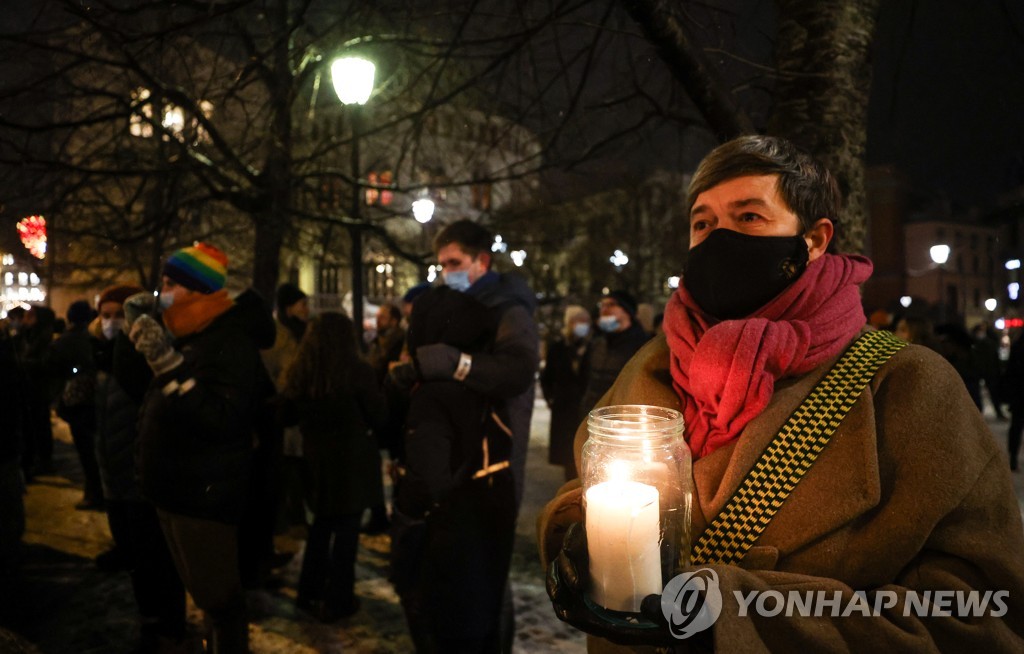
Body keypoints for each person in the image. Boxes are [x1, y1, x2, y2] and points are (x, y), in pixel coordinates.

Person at [541, 135, 1024, 652]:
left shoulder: (908, 384)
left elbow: (980, 611)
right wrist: (573, 533)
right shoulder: (653, 362)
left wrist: (735, 620)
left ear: (814, 240)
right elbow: (592, 486)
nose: (719, 239)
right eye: (703, 223)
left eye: (749, 217)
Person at [398, 219, 539, 651]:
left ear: (483, 261)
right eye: (441, 265)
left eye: (454, 263)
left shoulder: (507, 307)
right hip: (447, 453)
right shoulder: (444, 303)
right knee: (446, 567)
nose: (446, 272)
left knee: (484, 572)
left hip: (492, 457)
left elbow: (516, 370)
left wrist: (455, 364)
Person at [127, 242, 275, 653]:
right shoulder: (189, 332)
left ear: (198, 289)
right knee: (205, 597)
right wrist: (134, 326)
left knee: (220, 601)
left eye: (171, 283)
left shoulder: (227, 340)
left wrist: (169, 367)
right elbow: (135, 383)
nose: (163, 290)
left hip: (203, 493)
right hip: (176, 487)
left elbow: (221, 420)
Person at [92, 284, 188, 650]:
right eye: (107, 314)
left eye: (120, 314)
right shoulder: (100, 357)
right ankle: (152, 619)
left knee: (156, 560)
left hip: (142, 479)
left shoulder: (144, 358)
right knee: (136, 560)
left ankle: (167, 625)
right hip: (114, 478)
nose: (112, 322)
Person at [280, 312, 387, 623]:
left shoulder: (302, 373)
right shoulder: (357, 371)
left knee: (321, 527)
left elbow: (286, 416)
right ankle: (339, 599)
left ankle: (308, 593)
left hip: (317, 462)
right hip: (352, 463)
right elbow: (378, 415)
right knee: (346, 533)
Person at [51, 299, 104, 510]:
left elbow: (52, 365)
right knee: (94, 451)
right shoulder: (92, 337)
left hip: (79, 402)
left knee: (87, 452)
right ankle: (96, 492)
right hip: (95, 401)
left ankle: (94, 494)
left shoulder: (68, 339)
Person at [364, 302, 406, 534]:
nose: (378, 320)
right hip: (384, 406)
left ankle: (391, 515)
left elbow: (378, 368)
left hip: (391, 409)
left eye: (383, 317)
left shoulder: (395, 341)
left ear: (394, 320)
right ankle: (382, 515)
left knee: (394, 462)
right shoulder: (379, 340)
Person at [577, 290, 649, 419]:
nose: (604, 309)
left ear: (627, 311)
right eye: (602, 305)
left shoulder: (642, 346)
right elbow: (584, 379)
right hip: (592, 417)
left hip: (623, 420)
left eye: (611, 304)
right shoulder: (596, 343)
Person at [540, 305, 592, 481]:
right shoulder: (558, 348)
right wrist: (550, 398)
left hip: (585, 407)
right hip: (564, 407)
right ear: (569, 323)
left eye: (586, 321)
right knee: (568, 454)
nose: (583, 324)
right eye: (579, 320)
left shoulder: (593, 347)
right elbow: (547, 376)